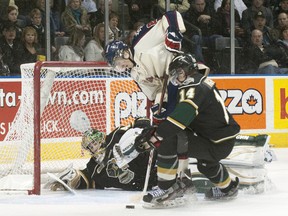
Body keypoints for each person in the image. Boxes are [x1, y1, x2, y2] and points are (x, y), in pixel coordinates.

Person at [137, 53, 240, 208]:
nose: (175, 78)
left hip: (215, 142)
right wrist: (164, 114)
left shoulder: (193, 87)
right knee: (205, 164)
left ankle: (167, 189)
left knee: (168, 138)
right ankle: (228, 188)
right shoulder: (198, 82)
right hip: (219, 141)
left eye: (176, 73)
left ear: (183, 71)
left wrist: (155, 135)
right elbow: (185, 115)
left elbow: (179, 121)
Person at [47, 118, 158, 191]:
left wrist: (145, 128)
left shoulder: (114, 136)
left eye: (94, 143)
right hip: (144, 185)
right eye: (90, 147)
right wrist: (69, 182)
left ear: (101, 138)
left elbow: (140, 123)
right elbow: (88, 179)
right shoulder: (93, 167)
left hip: (151, 165)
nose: (93, 147)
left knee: (124, 146)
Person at [105, 10, 186, 104]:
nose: (121, 67)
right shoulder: (135, 74)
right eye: (116, 67)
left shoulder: (140, 43)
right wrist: (160, 103)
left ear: (124, 53)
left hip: (186, 72)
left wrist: (173, 32)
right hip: (177, 90)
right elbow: (155, 94)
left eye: (118, 63)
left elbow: (171, 15)